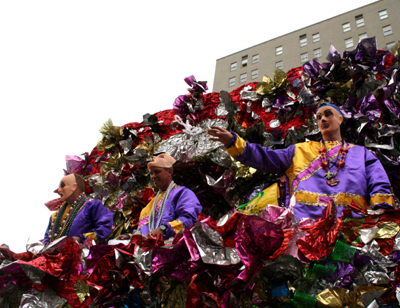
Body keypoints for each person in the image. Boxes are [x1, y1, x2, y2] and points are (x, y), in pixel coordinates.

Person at [208, 103, 395, 221]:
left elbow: (379, 183)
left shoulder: (362, 153)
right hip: (304, 228)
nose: (322, 119)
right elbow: (265, 157)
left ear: (340, 118)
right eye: (318, 117)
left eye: (328, 114)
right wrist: (233, 141)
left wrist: (382, 214)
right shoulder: (299, 150)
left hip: (353, 226)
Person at [120, 153, 202, 240]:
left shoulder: (182, 193)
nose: (153, 176)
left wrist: (164, 229)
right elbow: (146, 231)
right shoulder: (152, 203)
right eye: (151, 173)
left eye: (157, 172)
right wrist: (131, 237)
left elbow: (190, 218)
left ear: (169, 172)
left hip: (172, 250)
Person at [43, 173, 114, 245]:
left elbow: (105, 227)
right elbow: (47, 238)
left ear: (75, 186)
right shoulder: (54, 216)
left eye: (63, 186)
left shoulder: (92, 205)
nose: (59, 190)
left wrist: (82, 239)